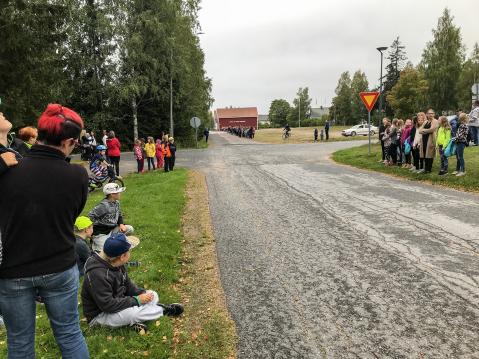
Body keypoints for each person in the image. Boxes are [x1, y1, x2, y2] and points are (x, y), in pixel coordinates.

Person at [0, 104, 90, 358]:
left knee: (19, 342)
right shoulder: (77, 176)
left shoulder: (9, 169)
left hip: (13, 270)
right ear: (69, 141)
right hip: (60, 266)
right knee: (70, 334)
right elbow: (70, 215)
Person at [81, 233, 183, 333]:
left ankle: (139, 318)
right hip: (101, 315)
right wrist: (137, 300)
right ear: (122, 256)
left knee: (153, 295)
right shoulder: (97, 274)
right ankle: (162, 311)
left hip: (119, 302)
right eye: (129, 251)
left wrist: (142, 294)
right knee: (134, 314)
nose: (130, 253)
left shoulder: (116, 262)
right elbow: (108, 305)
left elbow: (128, 285)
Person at [89, 182, 134, 253]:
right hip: (101, 233)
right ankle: (95, 243)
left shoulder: (116, 202)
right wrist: (91, 232)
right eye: (118, 192)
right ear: (112, 194)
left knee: (130, 229)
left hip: (112, 229)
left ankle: (113, 239)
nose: (120, 194)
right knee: (105, 251)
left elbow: (119, 214)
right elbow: (90, 217)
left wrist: (121, 224)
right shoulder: (104, 206)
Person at [418, 109, 439, 174]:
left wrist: (424, 130)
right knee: (425, 154)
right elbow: (419, 130)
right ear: (427, 114)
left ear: (434, 114)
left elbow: (432, 129)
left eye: (432, 113)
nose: (431, 115)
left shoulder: (435, 121)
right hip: (424, 139)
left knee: (430, 155)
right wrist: (426, 130)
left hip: (431, 140)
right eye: (429, 113)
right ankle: (425, 168)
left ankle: (428, 169)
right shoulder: (425, 122)